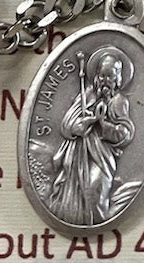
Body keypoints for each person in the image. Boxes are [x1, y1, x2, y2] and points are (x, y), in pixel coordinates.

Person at [49, 46, 137, 226]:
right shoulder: (86, 95)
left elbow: (125, 134)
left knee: (95, 195)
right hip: (78, 156)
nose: (105, 81)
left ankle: (97, 224)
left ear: (117, 79)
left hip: (102, 158)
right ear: (97, 76)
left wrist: (103, 124)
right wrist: (86, 122)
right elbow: (67, 126)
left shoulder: (119, 101)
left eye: (110, 76)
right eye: (102, 76)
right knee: (77, 195)